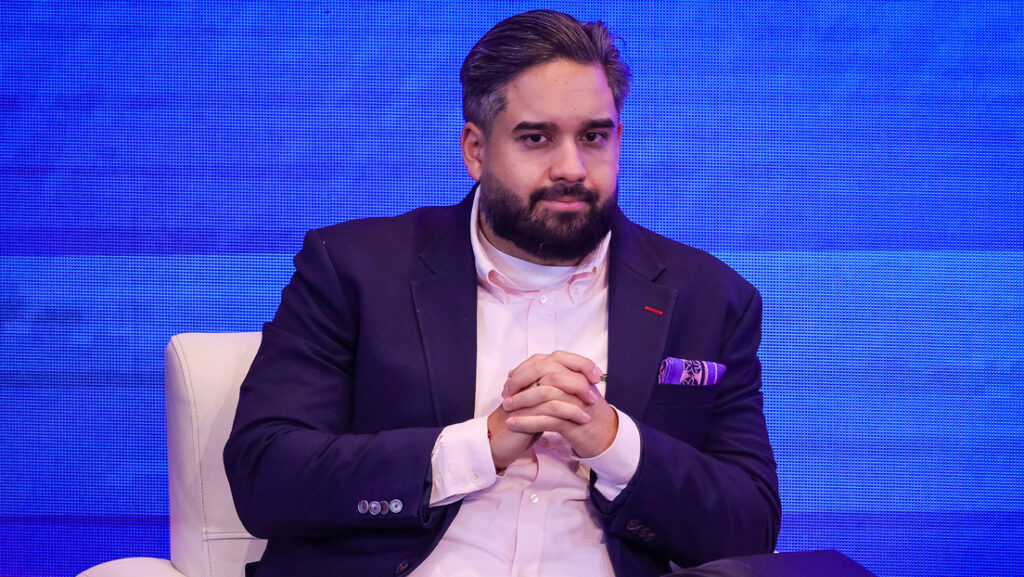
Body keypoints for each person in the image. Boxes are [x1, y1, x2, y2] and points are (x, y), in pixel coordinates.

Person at [224, 10, 780, 577]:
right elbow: (265, 475)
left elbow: (750, 526)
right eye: (536, 138)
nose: (572, 168)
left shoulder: (710, 298)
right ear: (475, 149)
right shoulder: (355, 270)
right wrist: (476, 448)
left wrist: (614, 443)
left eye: (594, 137)